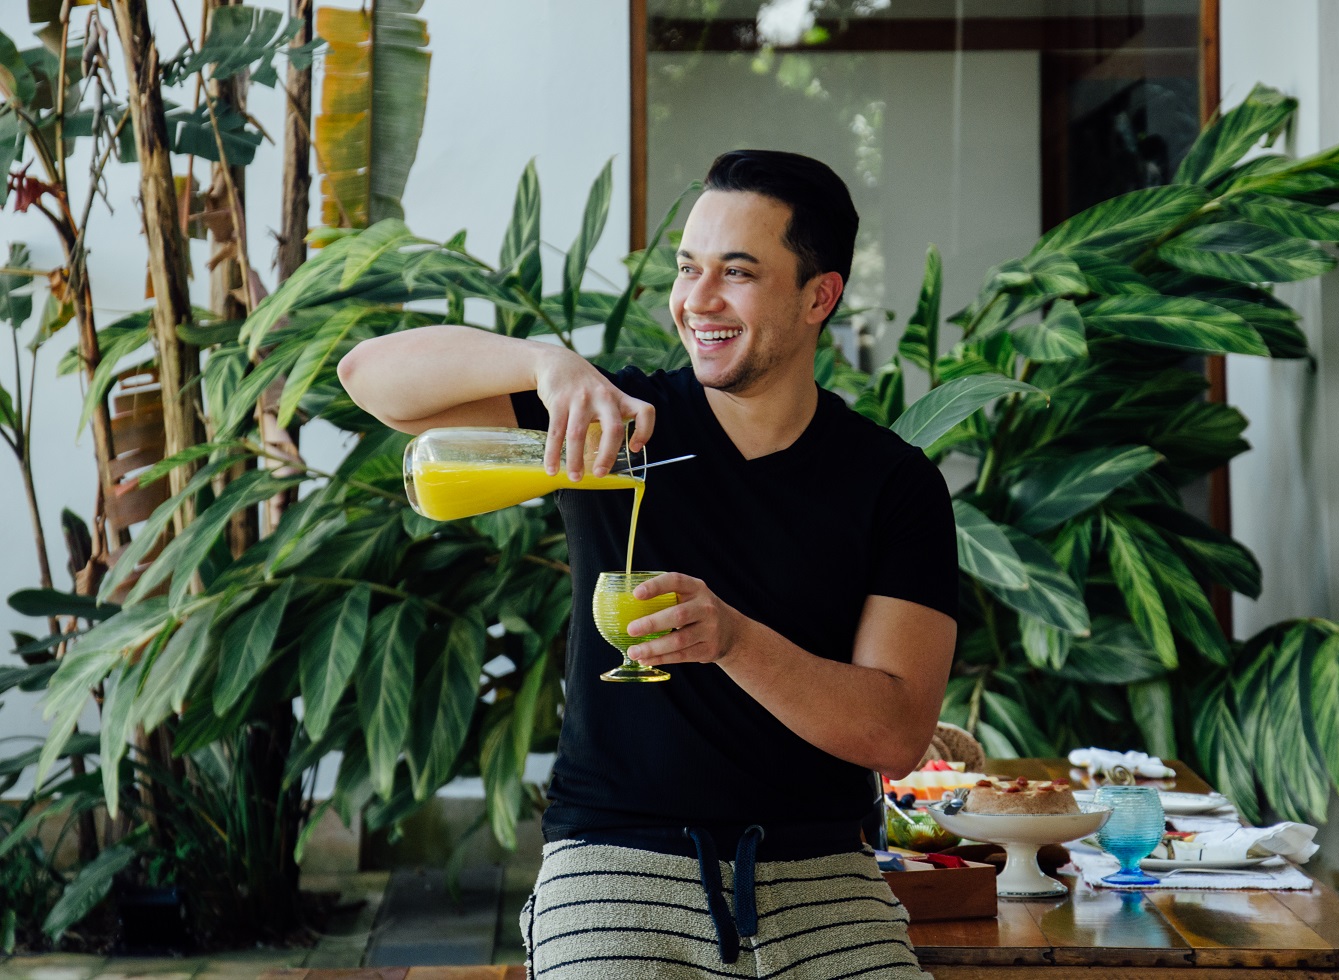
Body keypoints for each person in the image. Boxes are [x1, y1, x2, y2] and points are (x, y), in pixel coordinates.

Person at [338, 149, 958, 979]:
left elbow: (895, 735)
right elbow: (370, 380)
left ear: (819, 296)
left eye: (736, 272)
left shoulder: (892, 484)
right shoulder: (612, 420)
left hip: (822, 874)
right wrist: (547, 365)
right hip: (614, 864)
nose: (697, 299)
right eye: (687, 268)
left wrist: (733, 641)